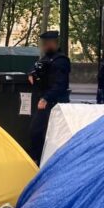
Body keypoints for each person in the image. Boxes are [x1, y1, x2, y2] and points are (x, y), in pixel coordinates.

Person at [28, 30, 71, 164]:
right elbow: (37, 70)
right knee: (37, 131)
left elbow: (60, 84)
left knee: (45, 133)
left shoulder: (61, 61)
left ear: (53, 43)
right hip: (44, 99)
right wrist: (31, 73)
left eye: (46, 43)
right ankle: (39, 158)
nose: (44, 46)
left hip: (54, 102)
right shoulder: (45, 59)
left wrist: (46, 98)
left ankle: (42, 159)